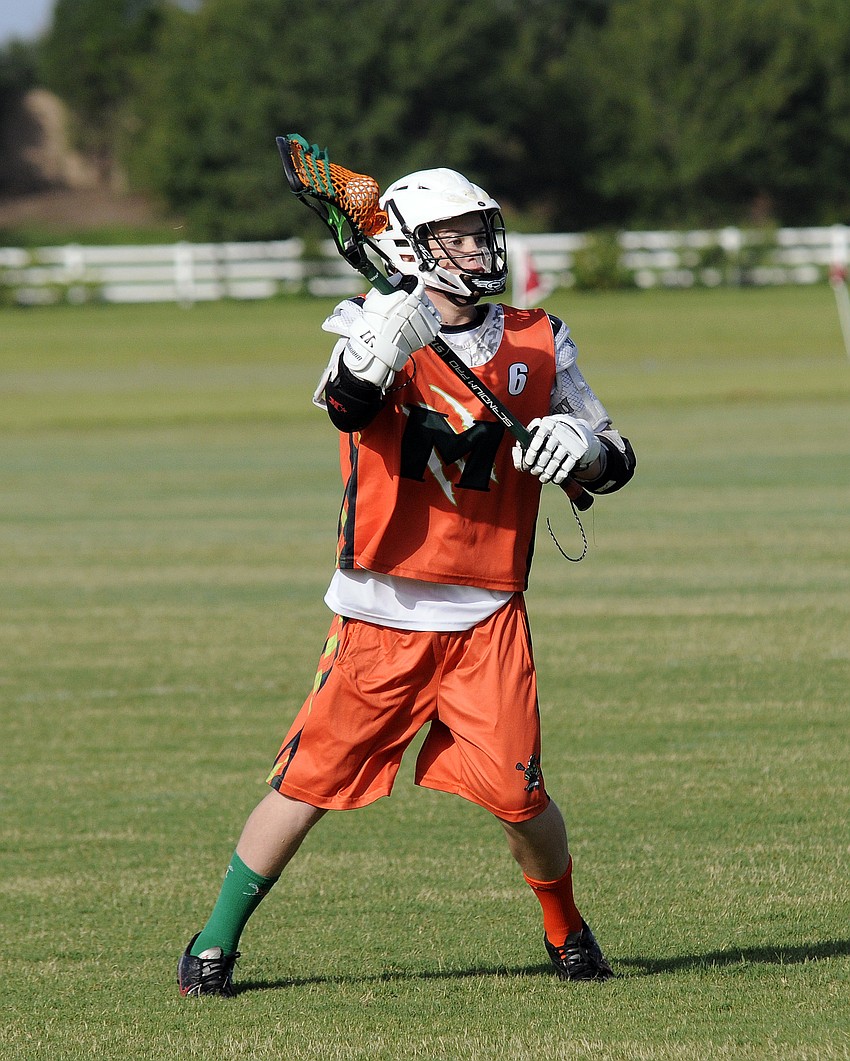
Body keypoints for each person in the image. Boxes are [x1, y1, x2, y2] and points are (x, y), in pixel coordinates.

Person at [177, 168, 636, 996]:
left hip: (488, 611)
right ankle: (212, 944)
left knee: (519, 798)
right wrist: (379, 349)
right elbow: (348, 407)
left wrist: (584, 448)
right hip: (380, 607)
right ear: (413, 246)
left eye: (479, 228)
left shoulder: (540, 339)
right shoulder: (372, 320)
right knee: (307, 783)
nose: (476, 245)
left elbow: (616, 459)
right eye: (455, 234)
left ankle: (566, 928)